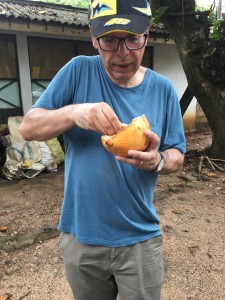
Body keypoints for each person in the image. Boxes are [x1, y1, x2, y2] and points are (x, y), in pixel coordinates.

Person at [20, 0, 186, 299]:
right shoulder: (78, 70)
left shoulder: (163, 89)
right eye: (110, 40)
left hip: (140, 238)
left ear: (146, 35)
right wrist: (73, 113)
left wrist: (157, 161)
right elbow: (29, 127)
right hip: (81, 236)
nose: (123, 53)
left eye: (132, 39)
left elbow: (177, 155)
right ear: (94, 39)